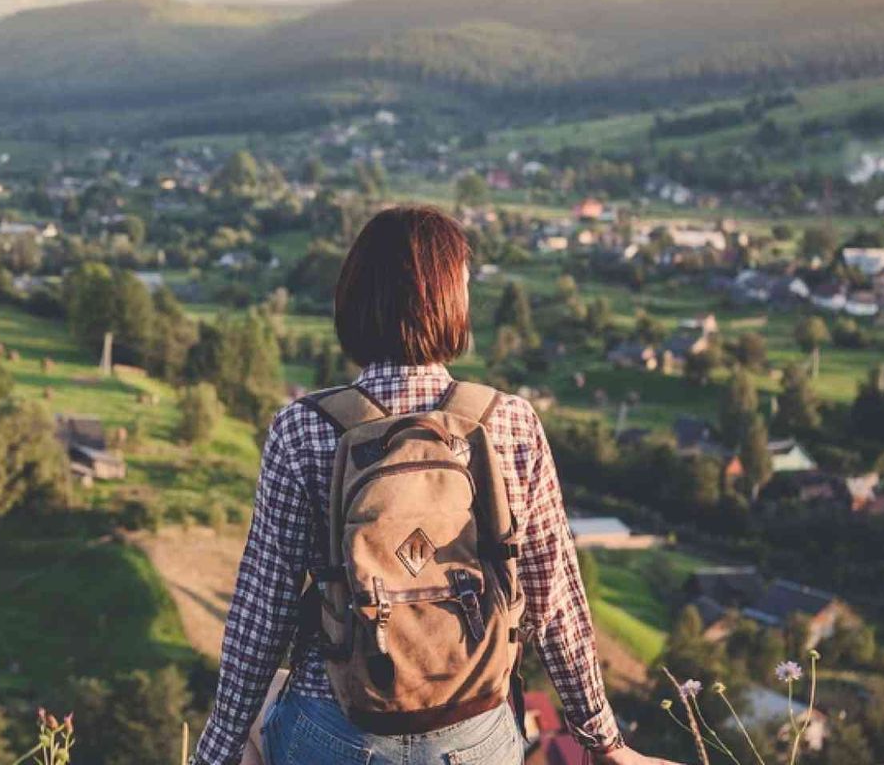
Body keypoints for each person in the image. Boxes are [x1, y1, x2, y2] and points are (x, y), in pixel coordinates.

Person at [194, 206, 675, 765]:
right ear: (453, 303)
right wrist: (605, 742)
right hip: (474, 732)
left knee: (262, 712)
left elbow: (264, 610)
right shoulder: (509, 422)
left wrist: (214, 751)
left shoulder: (302, 428)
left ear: (354, 298)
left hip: (338, 731)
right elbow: (553, 603)